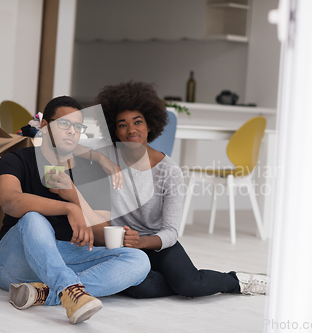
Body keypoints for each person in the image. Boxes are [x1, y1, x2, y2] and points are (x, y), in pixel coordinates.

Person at [92, 81, 268, 298]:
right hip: (124, 246)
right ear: (114, 131)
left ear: (149, 125)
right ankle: (169, 280)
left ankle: (237, 281)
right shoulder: (106, 159)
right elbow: (71, 149)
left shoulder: (169, 170)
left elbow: (170, 232)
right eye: (122, 124)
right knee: (138, 288)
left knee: (190, 286)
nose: (131, 130)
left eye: (138, 122)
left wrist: (143, 242)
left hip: (157, 242)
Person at [0, 96, 150, 324]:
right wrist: (68, 208)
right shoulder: (16, 159)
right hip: (16, 259)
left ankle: (46, 293)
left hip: (66, 254)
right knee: (34, 218)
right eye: (64, 123)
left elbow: (100, 235)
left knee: (139, 261)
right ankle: (67, 289)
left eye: (78, 126)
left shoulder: (93, 172)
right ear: (45, 127)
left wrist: (75, 196)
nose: (72, 131)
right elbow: (10, 202)